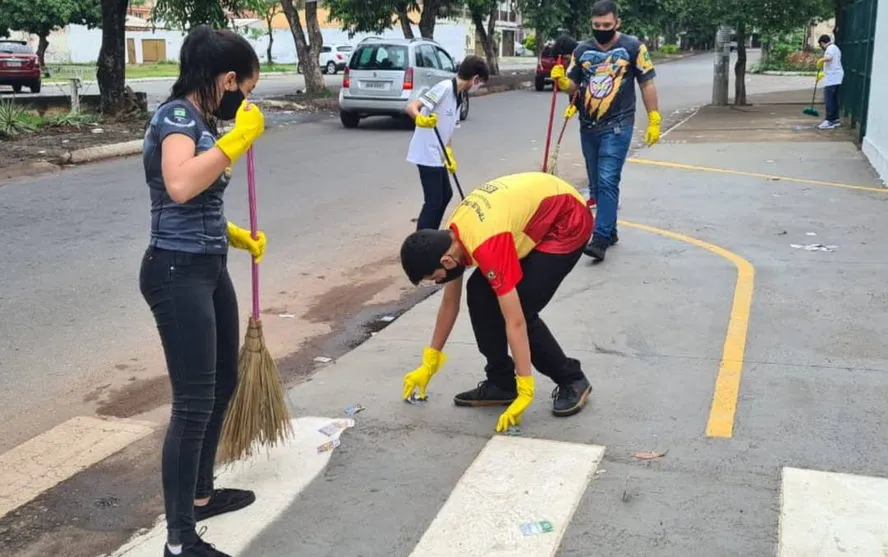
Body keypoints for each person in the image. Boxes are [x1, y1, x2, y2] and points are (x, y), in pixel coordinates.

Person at [139, 24, 267, 557]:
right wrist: (240, 137)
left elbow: (199, 199)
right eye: (247, 89)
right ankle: (179, 540)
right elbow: (180, 183)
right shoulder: (176, 117)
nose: (245, 101)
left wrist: (233, 236)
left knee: (224, 380)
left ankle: (200, 494)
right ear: (229, 79)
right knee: (192, 401)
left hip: (208, 265)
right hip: (176, 271)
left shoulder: (203, 122)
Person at [399, 171, 595, 432]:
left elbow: (514, 322)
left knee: (522, 307)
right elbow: (450, 304)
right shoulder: (453, 238)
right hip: (529, 219)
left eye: (435, 278)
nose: (437, 283)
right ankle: (501, 382)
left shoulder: (486, 244)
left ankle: (572, 379)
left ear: (446, 261)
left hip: (566, 221)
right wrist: (430, 361)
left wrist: (526, 389)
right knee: (479, 293)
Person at [549, 0, 662, 263]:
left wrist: (654, 117)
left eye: (607, 25)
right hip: (588, 125)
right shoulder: (582, 50)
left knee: (608, 178)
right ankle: (609, 230)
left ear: (617, 23)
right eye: (597, 25)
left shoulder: (633, 47)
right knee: (596, 184)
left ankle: (599, 238)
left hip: (619, 124)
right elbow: (573, 86)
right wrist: (562, 80)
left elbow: (647, 84)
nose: (602, 29)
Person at [405, 55, 490, 230]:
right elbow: (412, 106)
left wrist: (449, 154)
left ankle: (431, 233)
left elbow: (448, 130)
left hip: (439, 153)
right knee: (434, 200)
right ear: (474, 79)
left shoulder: (459, 96)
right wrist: (420, 119)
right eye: (480, 82)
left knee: (446, 195)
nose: (478, 86)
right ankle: (423, 239)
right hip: (426, 152)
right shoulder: (444, 88)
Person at [816, 34, 843, 130]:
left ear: (823, 43)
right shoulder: (835, 48)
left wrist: (820, 60)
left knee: (829, 100)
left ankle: (829, 120)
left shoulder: (830, 48)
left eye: (821, 45)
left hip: (832, 78)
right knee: (834, 99)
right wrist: (823, 74)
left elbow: (829, 58)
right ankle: (835, 120)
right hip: (835, 77)